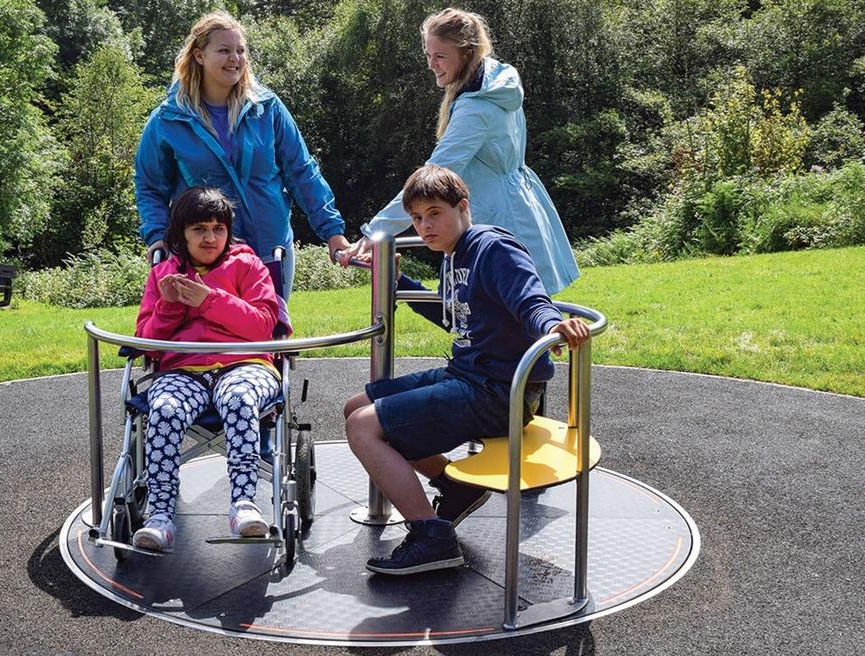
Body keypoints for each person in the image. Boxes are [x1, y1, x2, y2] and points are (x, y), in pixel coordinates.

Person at [343, 165, 590, 575]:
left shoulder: (492, 248)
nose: (424, 226)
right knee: (355, 408)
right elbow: (455, 316)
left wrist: (552, 326)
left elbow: (531, 299)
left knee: (364, 428)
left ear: (462, 207)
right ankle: (455, 487)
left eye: (434, 213)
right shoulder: (453, 254)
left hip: (499, 392)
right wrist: (397, 280)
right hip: (467, 376)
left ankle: (431, 537)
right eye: (417, 218)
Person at [340, 8, 579, 296]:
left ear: (467, 54)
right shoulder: (493, 85)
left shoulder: (476, 108)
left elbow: (431, 179)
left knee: (504, 317)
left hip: (498, 220)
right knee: (507, 315)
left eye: (440, 56)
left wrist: (377, 231)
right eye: (428, 55)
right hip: (517, 207)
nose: (431, 64)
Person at [134, 10, 351, 299]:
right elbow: (150, 187)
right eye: (224, 50)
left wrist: (332, 231)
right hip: (204, 254)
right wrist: (157, 236)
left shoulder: (267, 108)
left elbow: (301, 171)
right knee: (212, 336)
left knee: (269, 334)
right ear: (199, 56)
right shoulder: (167, 120)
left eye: (240, 50)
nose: (235, 58)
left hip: (270, 247)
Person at [132, 186, 286, 552]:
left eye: (218, 228)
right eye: (199, 229)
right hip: (182, 370)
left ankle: (244, 503)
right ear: (180, 233)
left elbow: (264, 325)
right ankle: (159, 516)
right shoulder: (163, 275)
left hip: (244, 364)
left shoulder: (248, 265)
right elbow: (146, 342)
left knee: (239, 398)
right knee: (165, 410)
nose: (210, 237)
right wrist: (170, 306)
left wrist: (209, 300)